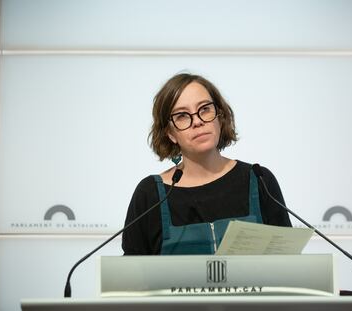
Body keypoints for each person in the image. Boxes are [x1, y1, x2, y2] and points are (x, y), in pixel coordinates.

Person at [122, 73, 291, 255]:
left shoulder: (259, 180)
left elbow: (288, 264)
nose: (198, 121)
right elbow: (132, 277)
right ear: (170, 133)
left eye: (204, 109)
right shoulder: (150, 195)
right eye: (182, 116)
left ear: (220, 116)